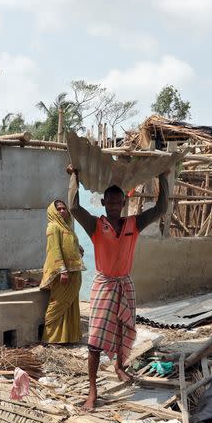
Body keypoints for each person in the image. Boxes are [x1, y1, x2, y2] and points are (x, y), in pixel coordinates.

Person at [67, 164, 169, 409]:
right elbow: (73, 207)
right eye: (110, 202)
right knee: (94, 342)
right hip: (104, 285)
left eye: (118, 202)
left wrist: (162, 178)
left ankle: (119, 366)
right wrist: (74, 176)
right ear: (103, 202)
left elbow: (161, 208)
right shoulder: (95, 225)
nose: (114, 206)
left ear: (123, 202)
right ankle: (93, 391)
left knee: (125, 331)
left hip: (125, 284)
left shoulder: (134, 224)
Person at [40, 200, 84, 344]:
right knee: (58, 304)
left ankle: (68, 338)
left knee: (71, 305)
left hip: (75, 272)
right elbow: (55, 250)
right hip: (63, 274)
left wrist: (78, 248)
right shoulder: (53, 227)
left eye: (64, 208)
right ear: (53, 212)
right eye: (58, 209)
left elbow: (67, 246)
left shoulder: (67, 228)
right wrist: (62, 271)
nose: (62, 211)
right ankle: (51, 339)